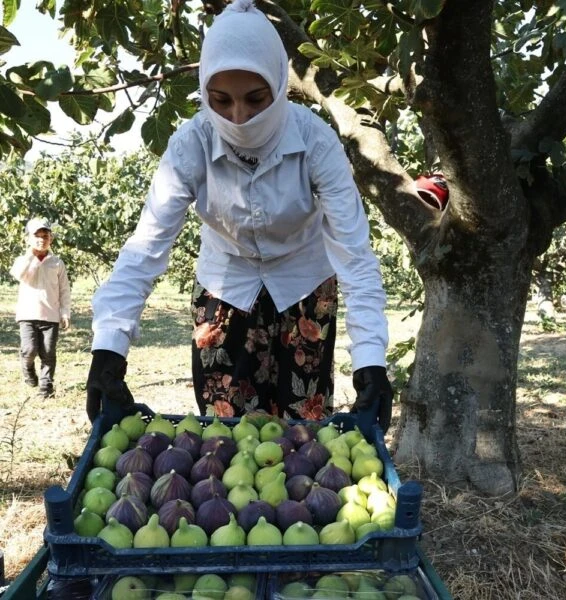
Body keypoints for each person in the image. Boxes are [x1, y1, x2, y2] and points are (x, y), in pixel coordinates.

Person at [86, 0, 393, 432]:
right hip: (225, 284)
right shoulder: (191, 145)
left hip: (303, 283)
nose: (238, 117)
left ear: (279, 86)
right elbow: (146, 246)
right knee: (225, 434)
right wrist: (109, 349)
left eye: (255, 99)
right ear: (204, 93)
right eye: (220, 100)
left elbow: (355, 254)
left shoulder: (316, 143)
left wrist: (371, 361)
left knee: (302, 432)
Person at [10, 217, 71, 398]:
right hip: (27, 314)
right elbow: (18, 274)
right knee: (29, 350)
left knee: (48, 353)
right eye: (37, 236)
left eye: (46, 235)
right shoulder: (23, 259)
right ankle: (27, 368)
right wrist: (32, 255)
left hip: (50, 316)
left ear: (51, 238)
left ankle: (46, 388)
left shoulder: (57, 263)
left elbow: (64, 290)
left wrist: (65, 312)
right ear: (28, 238)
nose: (42, 239)